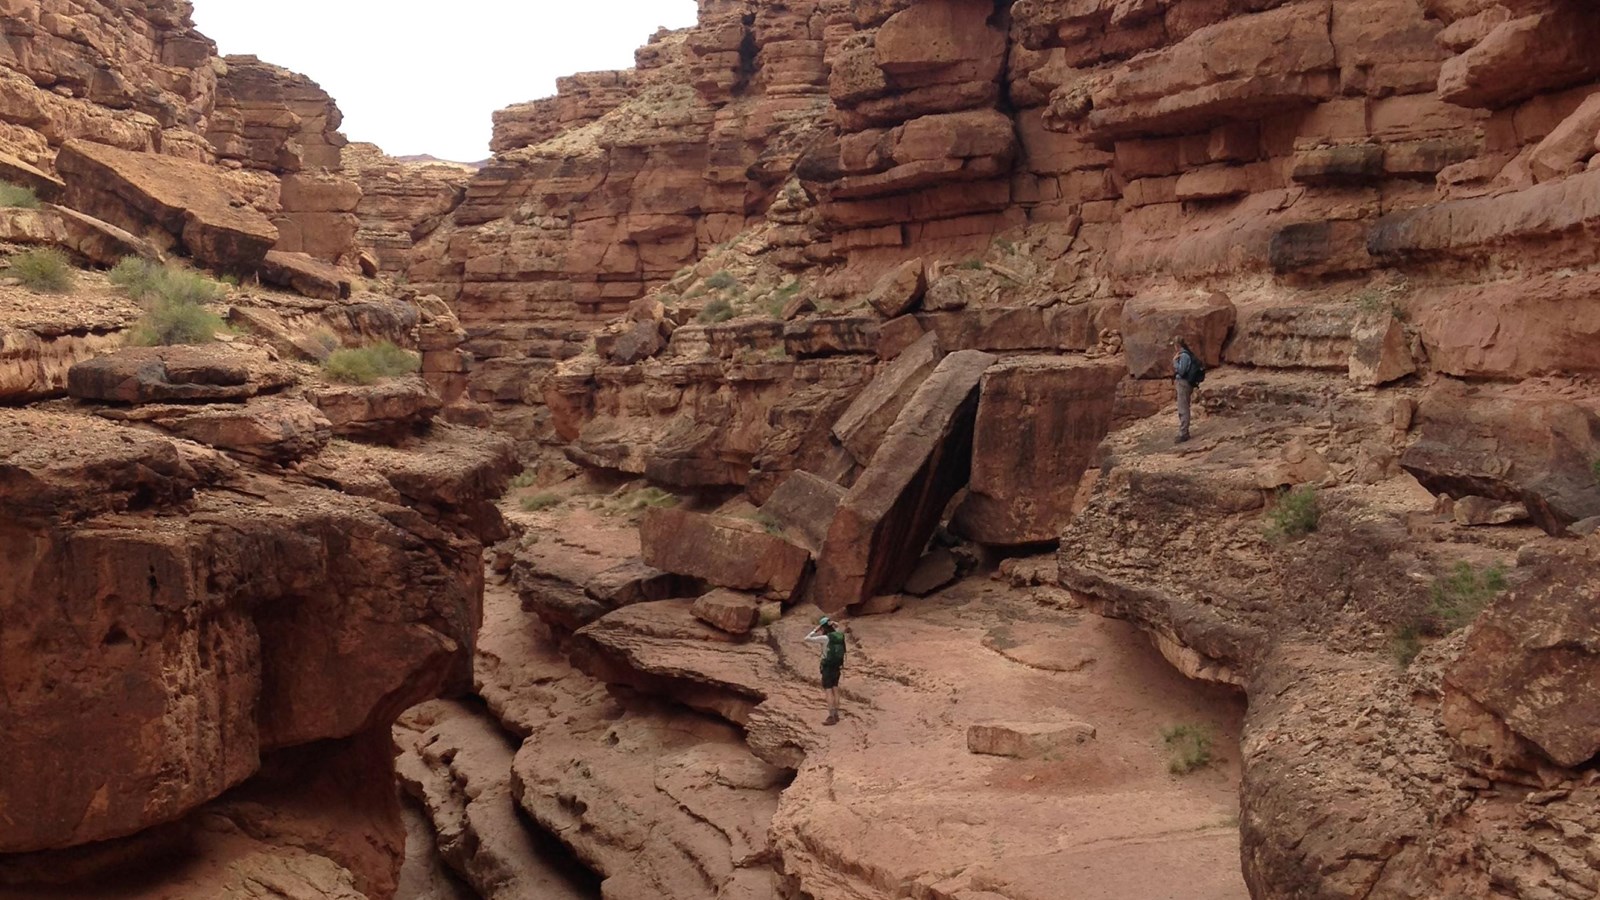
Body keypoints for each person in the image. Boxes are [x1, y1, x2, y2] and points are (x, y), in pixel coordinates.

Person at [804, 616, 846, 726]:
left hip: (827, 667)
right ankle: (836, 715)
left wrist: (814, 630)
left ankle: (831, 716)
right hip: (837, 666)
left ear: (822, 628)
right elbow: (837, 627)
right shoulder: (839, 635)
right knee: (835, 689)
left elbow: (806, 638)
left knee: (828, 691)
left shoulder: (825, 638)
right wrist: (834, 624)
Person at [1172, 337, 1203, 443]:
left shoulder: (1184, 356)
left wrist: (1175, 362)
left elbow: (1181, 371)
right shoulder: (1186, 354)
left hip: (1184, 383)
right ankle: (1184, 431)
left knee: (1183, 408)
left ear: (1177, 345)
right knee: (1183, 407)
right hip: (1185, 383)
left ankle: (1183, 433)